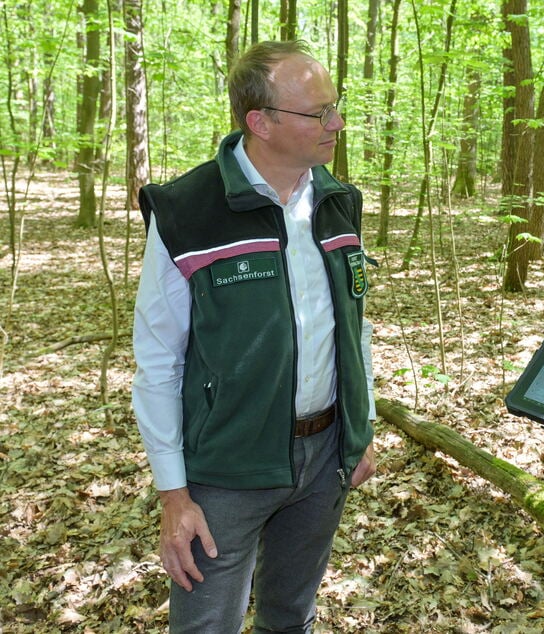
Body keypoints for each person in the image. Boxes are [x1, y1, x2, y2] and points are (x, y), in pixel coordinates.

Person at [131, 40, 376, 633]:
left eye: (335, 107)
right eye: (318, 112)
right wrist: (174, 494)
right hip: (227, 470)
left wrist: (360, 430)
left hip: (324, 462)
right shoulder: (189, 210)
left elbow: (355, 328)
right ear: (259, 121)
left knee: (291, 617)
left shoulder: (339, 203)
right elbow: (158, 360)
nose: (336, 123)